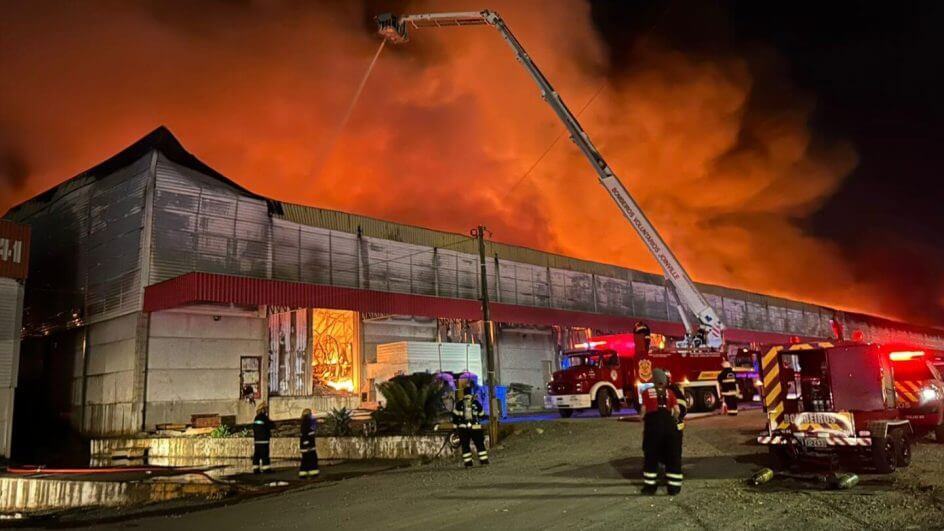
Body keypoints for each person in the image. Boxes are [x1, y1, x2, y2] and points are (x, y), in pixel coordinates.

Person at [640, 369, 682, 495]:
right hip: (669, 425)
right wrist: (672, 420)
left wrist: (642, 418)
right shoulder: (670, 392)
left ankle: (650, 487)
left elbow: (643, 410)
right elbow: (677, 410)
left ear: (653, 380)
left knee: (651, 456)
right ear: (664, 380)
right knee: (672, 456)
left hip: (653, 426)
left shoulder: (646, 392)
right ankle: (674, 488)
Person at [453, 389, 489, 467]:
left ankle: (468, 464)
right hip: (476, 427)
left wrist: (455, 428)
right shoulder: (476, 403)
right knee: (479, 444)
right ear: (471, 394)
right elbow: (482, 415)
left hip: (463, 429)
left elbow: (455, 417)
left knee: (465, 445)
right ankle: (484, 462)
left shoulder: (459, 404)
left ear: (464, 394)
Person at [252, 402, 275, 474]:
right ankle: (266, 469)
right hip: (264, 440)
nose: (267, 410)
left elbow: (255, 428)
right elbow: (271, 426)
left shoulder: (256, 418)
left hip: (257, 440)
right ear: (263, 409)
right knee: (265, 455)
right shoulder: (264, 418)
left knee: (257, 455)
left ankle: (256, 469)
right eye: (266, 409)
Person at [299, 408, 320, 479]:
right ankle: (313, 474)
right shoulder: (306, 422)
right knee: (312, 459)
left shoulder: (305, 422)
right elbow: (305, 434)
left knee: (305, 460)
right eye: (310, 413)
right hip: (308, 446)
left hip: (307, 446)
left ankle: (303, 474)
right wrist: (307, 444)